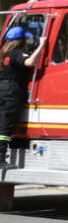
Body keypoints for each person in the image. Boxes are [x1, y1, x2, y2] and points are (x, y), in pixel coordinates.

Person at [0, 24, 46, 161]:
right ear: (21, 40)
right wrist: (41, 46)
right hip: (11, 91)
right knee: (6, 126)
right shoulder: (17, 52)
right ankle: (1, 159)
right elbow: (29, 62)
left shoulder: (3, 53)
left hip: (2, 88)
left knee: (2, 123)